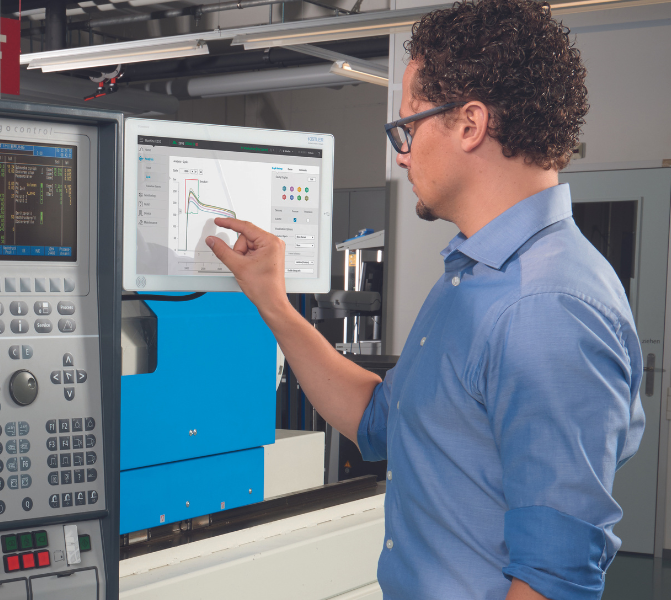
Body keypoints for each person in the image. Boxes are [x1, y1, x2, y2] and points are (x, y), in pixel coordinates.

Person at [205, 1, 645, 598]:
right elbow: (381, 421)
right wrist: (274, 304)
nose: (401, 152)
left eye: (408, 127)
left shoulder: (544, 306)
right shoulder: (472, 274)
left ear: (469, 124)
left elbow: (554, 579)